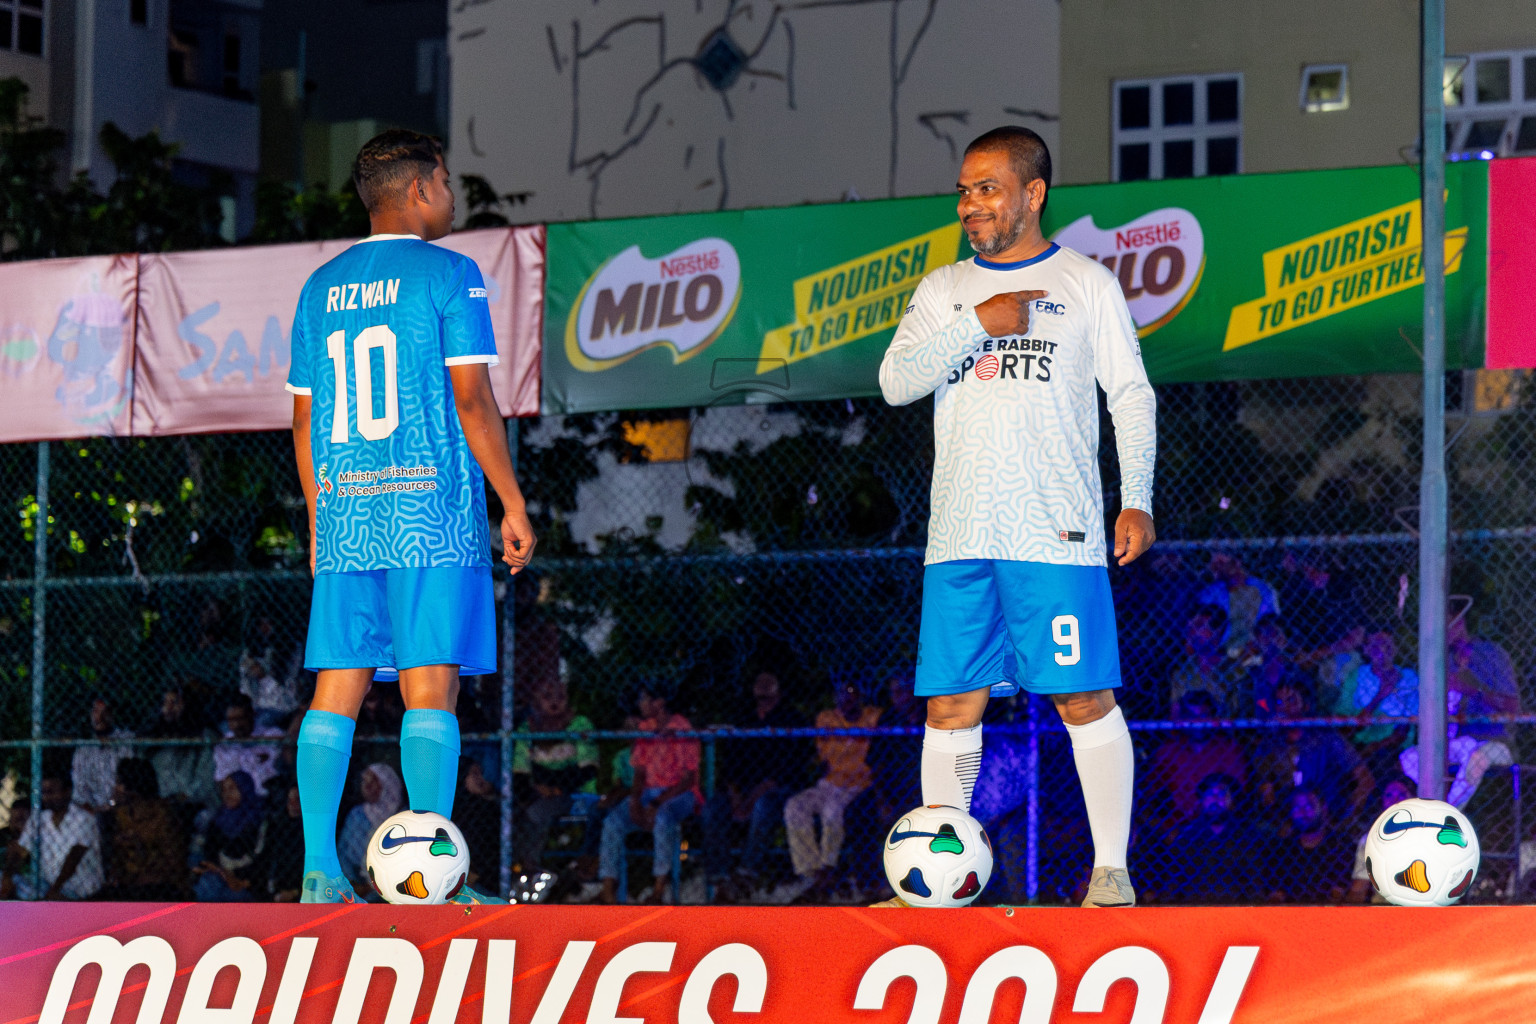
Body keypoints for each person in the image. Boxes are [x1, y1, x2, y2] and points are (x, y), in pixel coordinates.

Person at [877, 126, 1156, 907]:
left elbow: (1130, 395)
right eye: (964, 190)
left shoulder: (1088, 284)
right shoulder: (942, 290)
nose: (970, 204)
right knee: (951, 704)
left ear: (1032, 194)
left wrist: (1137, 495)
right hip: (959, 536)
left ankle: (1110, 874)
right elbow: (896, 381)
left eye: (987, 188)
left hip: (1055, 534)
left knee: (1082, 697)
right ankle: (940, 882)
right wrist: (979, 322)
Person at [286, 129, 536, 904]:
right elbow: (471, 399)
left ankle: (320, 871)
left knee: (338, 687)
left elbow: (302, 422)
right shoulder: (452, 275)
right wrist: (513, 500)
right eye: (449, 182)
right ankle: (435, 883)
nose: (452, 197)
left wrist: (322, 521)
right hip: (429, 510)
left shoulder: (319, 288)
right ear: (423, 186)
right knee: (432, 687)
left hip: (350, 512)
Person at [702, 669, 810, 899]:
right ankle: (719, 877)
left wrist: (750, 801)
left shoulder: (791, 719)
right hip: (744, 787)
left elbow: (786, 770)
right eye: (759, 694)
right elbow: (729, 765)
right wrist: (736, 797)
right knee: (713, 807)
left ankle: (747, 873)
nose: (763, 700)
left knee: (764, 806)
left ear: (778, 693)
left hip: (777, 788)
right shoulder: (743, 718)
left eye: (768, 694)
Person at [598, 686, 700, 905]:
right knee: (613, 821)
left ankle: (658, 889)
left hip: (678, 793)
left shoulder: (681, 728)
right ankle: (608, 890)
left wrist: (656, 802)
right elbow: (640, 771)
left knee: (663, 818)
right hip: (648, 792)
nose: (641, 704)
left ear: (659, 702)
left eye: (645, 699)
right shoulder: (645, 729)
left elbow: (687, 779)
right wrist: (635, 800)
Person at [782, 677, 881, 901]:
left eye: (851, 692)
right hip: (829, 784)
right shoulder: (827, 718)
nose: (846, 698)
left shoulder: (873, 717)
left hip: (858, 785)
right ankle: (812, 871)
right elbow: (823, 758)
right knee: (795, 806)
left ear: (860, 695)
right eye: (841, 693)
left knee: (832, 811)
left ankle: (828, 867)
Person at [1253, 680, 1373, 824]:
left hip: (1330, 812)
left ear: (1305, 704)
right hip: (1288, 817)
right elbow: (1266, 791)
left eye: (1291, 700)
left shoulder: (1326, 737)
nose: (1285, 708)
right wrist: (1280, 822)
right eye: (1279, 703)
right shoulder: (1271, 743)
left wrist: (1348, 817)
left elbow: (1365, 779)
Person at [512, 685, 599, 876]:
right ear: (536, 702)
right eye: (547, 696)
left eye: (560, 696)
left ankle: (529, 868)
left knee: (536, 812)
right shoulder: (528, 728)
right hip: (540, 792)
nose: (554, 702)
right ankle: (514, 868)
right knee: (515, 810)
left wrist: (554, 788)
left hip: (577, 794)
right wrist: (536, 788)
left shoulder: (579, 725)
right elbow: (520, 773)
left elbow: (588, 770)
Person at [1144, 690, 1247, 833]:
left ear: (1212, 717)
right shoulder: (1168, 751)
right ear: (1182, 718)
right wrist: (1164, 827)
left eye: (1203, 716)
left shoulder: (1228, 749)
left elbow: (1238, 795)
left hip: (1219, 823)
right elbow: (1150, 793)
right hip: (1176, 826)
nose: (1197, 723)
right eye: (1191, 716)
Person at [1159, 773, 1266, 905]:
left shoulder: (1245, 837)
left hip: (1234, 910)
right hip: (1193, 910)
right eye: (1210, 794)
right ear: (1202, 800)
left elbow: (1254, 882)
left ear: (1232, 801)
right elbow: (1172, 883)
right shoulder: (1186, 837)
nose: (1215, 799)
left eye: (1222, 794)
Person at [0, 774, 103, 901]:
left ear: (67, 792)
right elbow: (19, 851)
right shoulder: (39, 819)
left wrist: (55, 890)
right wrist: (7, 877)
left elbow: (74, 857)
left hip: (79, 890)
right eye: (44, 792)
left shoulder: (83, 818)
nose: (47, 797)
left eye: (51, 792)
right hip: (47, 886)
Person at [104, 758, 188, 901]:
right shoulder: (121, 815)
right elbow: (117, 860)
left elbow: (174, 864)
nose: (115, 788)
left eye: (119, 783)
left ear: (133, 788)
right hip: (130, 882)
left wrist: (140, 846)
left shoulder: (162, 816)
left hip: (159, 885)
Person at [1265, 786, 1353, 904]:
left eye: (1309, 806)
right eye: (1296, 808)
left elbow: (1339, 895)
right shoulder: (1280, 850)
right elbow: (1275, 896)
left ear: (1324, 809)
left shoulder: (1342, 846)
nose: (1302, 813)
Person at [190, 772, 266, 902]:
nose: (227, 794)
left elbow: (260, 859)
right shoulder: (218, 820)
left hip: (244, 880)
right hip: (219, 876)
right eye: (224, 789)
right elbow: (209, 852)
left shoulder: (258, 821)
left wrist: (236, 878)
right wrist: (221, 872)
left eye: (232, 788)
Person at [1345, 774, 1415, 904]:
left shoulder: (1428, 835)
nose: (1394, 801)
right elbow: (1360, 887)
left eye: (1401, 795)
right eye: (1388, 796)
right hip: (1384, 910)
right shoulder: (1370, 840)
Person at [336, 764, 405, 894]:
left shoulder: (403, 816)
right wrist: (352, 884)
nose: (366, 787)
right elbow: (343, 853)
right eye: (364, 781)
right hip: (356, 887)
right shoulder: (357, 815)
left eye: (373, 782)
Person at [1166, 606, 1247, 716]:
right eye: (1190, 628)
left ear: (1218, 630)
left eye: (1199, 625)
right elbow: (1175, 717)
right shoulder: (1180, 673)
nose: (1192, 632)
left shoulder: (1237, 671)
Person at [1198, 553, 1279, 655]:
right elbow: (1201, 609)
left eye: (1221, 563)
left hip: (1254, 643)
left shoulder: (1262, 588)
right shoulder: (1215, 589)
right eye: (1215, 566)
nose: (1219, 569)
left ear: (1236, 563)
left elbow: (1270, 620)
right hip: (1221, 646)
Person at [71, 695, 133, 816]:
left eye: (105, 712)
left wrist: (112, 805)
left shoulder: (126, 741)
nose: (99, 717)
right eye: (96, 711)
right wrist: (94, 811)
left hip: (122, 808)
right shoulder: (83, 749)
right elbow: (79, 788)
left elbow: (129, 780)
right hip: (91, 812)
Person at [213, 694, 283, 798]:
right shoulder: (224, 744)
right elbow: (221, 778)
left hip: (267, 797)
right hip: (237, 800)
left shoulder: (272, 736)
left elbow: (274, 771)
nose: (237, 725)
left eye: (241, 719)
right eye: (231, 720)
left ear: (252, 714)